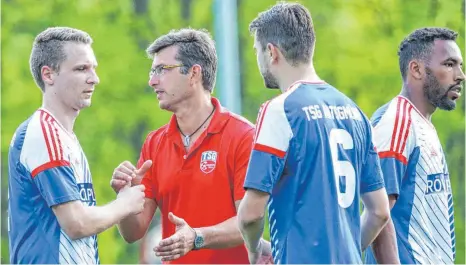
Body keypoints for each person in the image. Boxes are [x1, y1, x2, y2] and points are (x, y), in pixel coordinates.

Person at [237, 3, 394, 264]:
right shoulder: (355, 112)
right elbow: (379, 211)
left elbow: (250, 215)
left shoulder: (280, 110)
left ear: (271, 52)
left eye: (257, 51)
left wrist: (254, 249)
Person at [110, 28, 272, 264]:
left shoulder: (242, 136)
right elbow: (132, 233)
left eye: (162, 70)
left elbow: (249, 223)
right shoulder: (154, 143)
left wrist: (197, 237)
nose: (152, 80)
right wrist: (124, 198)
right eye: (152, 71)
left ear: (194, 73)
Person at [7, 27, 146, 264]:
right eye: (81, 68)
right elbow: (76, 224)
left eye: (93, 68)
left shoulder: (64, 136)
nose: (94, 78)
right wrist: (124, 204)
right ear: (48, 75)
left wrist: (123, 193)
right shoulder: (44, 132)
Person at [365, 27, 465, 264]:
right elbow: (379, 213)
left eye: (460, 65)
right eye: (450, 64)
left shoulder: (422, 122)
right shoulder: (397, 122)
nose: (460, 75)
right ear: (417, 69)